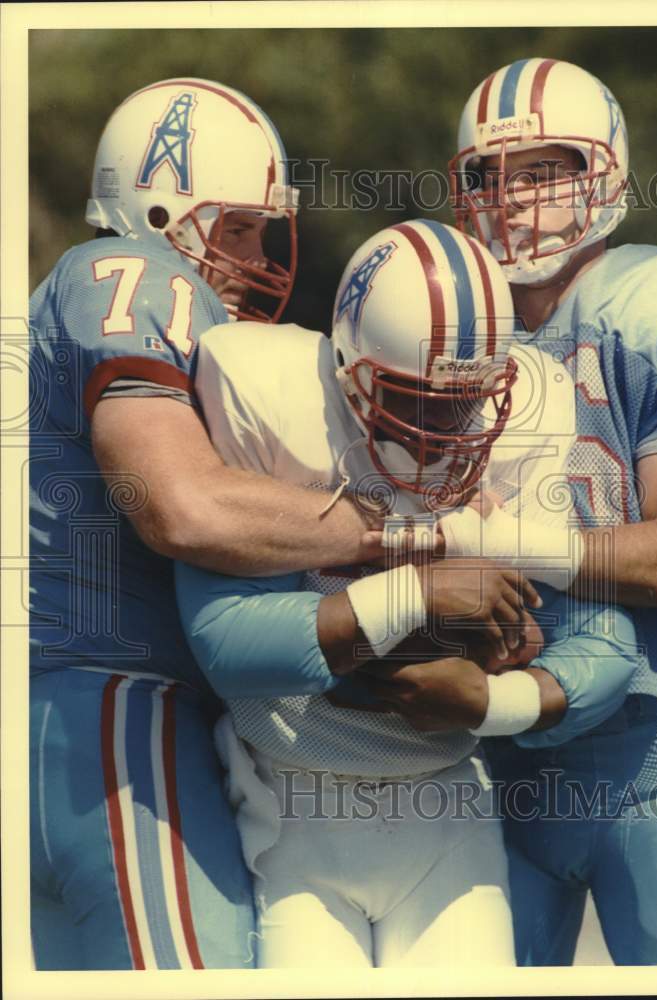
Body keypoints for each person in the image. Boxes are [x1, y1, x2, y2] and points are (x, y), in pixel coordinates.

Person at [175, 219, 643, 967]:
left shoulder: (527, 421)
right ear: (351, 373)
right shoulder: (271, 399)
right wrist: (420, 597)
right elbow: (224, 642)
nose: (448, 430)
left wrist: (494, 704)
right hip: (287, 808)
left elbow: (608, 642)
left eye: (467, 401)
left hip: (444, 806)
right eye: (416, 400)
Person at [28, 77, 405, 971]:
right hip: (112, 718)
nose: (257, 257)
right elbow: (182, 507)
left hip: (70, 717)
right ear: (157, 212)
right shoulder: (127, 272)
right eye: (236, 227)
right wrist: (404, 532)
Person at [370, 56, 657, 965]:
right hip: (484, 757)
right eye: (488, 176)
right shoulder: (435, 317)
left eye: (543, 170)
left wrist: (476, 541)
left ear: (604, 170)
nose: (512, 200)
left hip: (649, 748)